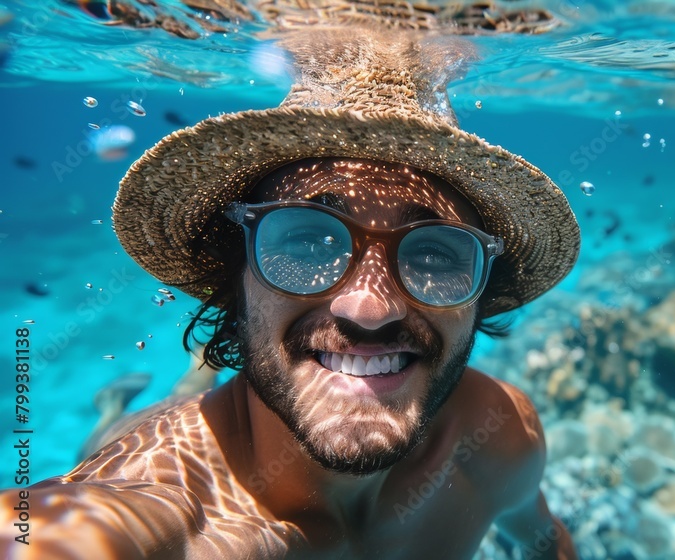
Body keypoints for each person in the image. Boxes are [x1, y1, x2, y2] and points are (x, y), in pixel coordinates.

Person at [0, 21, 580, 560]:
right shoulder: (169, 512)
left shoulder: (496, 432)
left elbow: (543, 543)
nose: (370, 308)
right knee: (114, 433)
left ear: (480, 295)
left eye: (433, 253)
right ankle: (117, 405)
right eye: (306, 243)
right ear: (234, 277)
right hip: (150, 436)